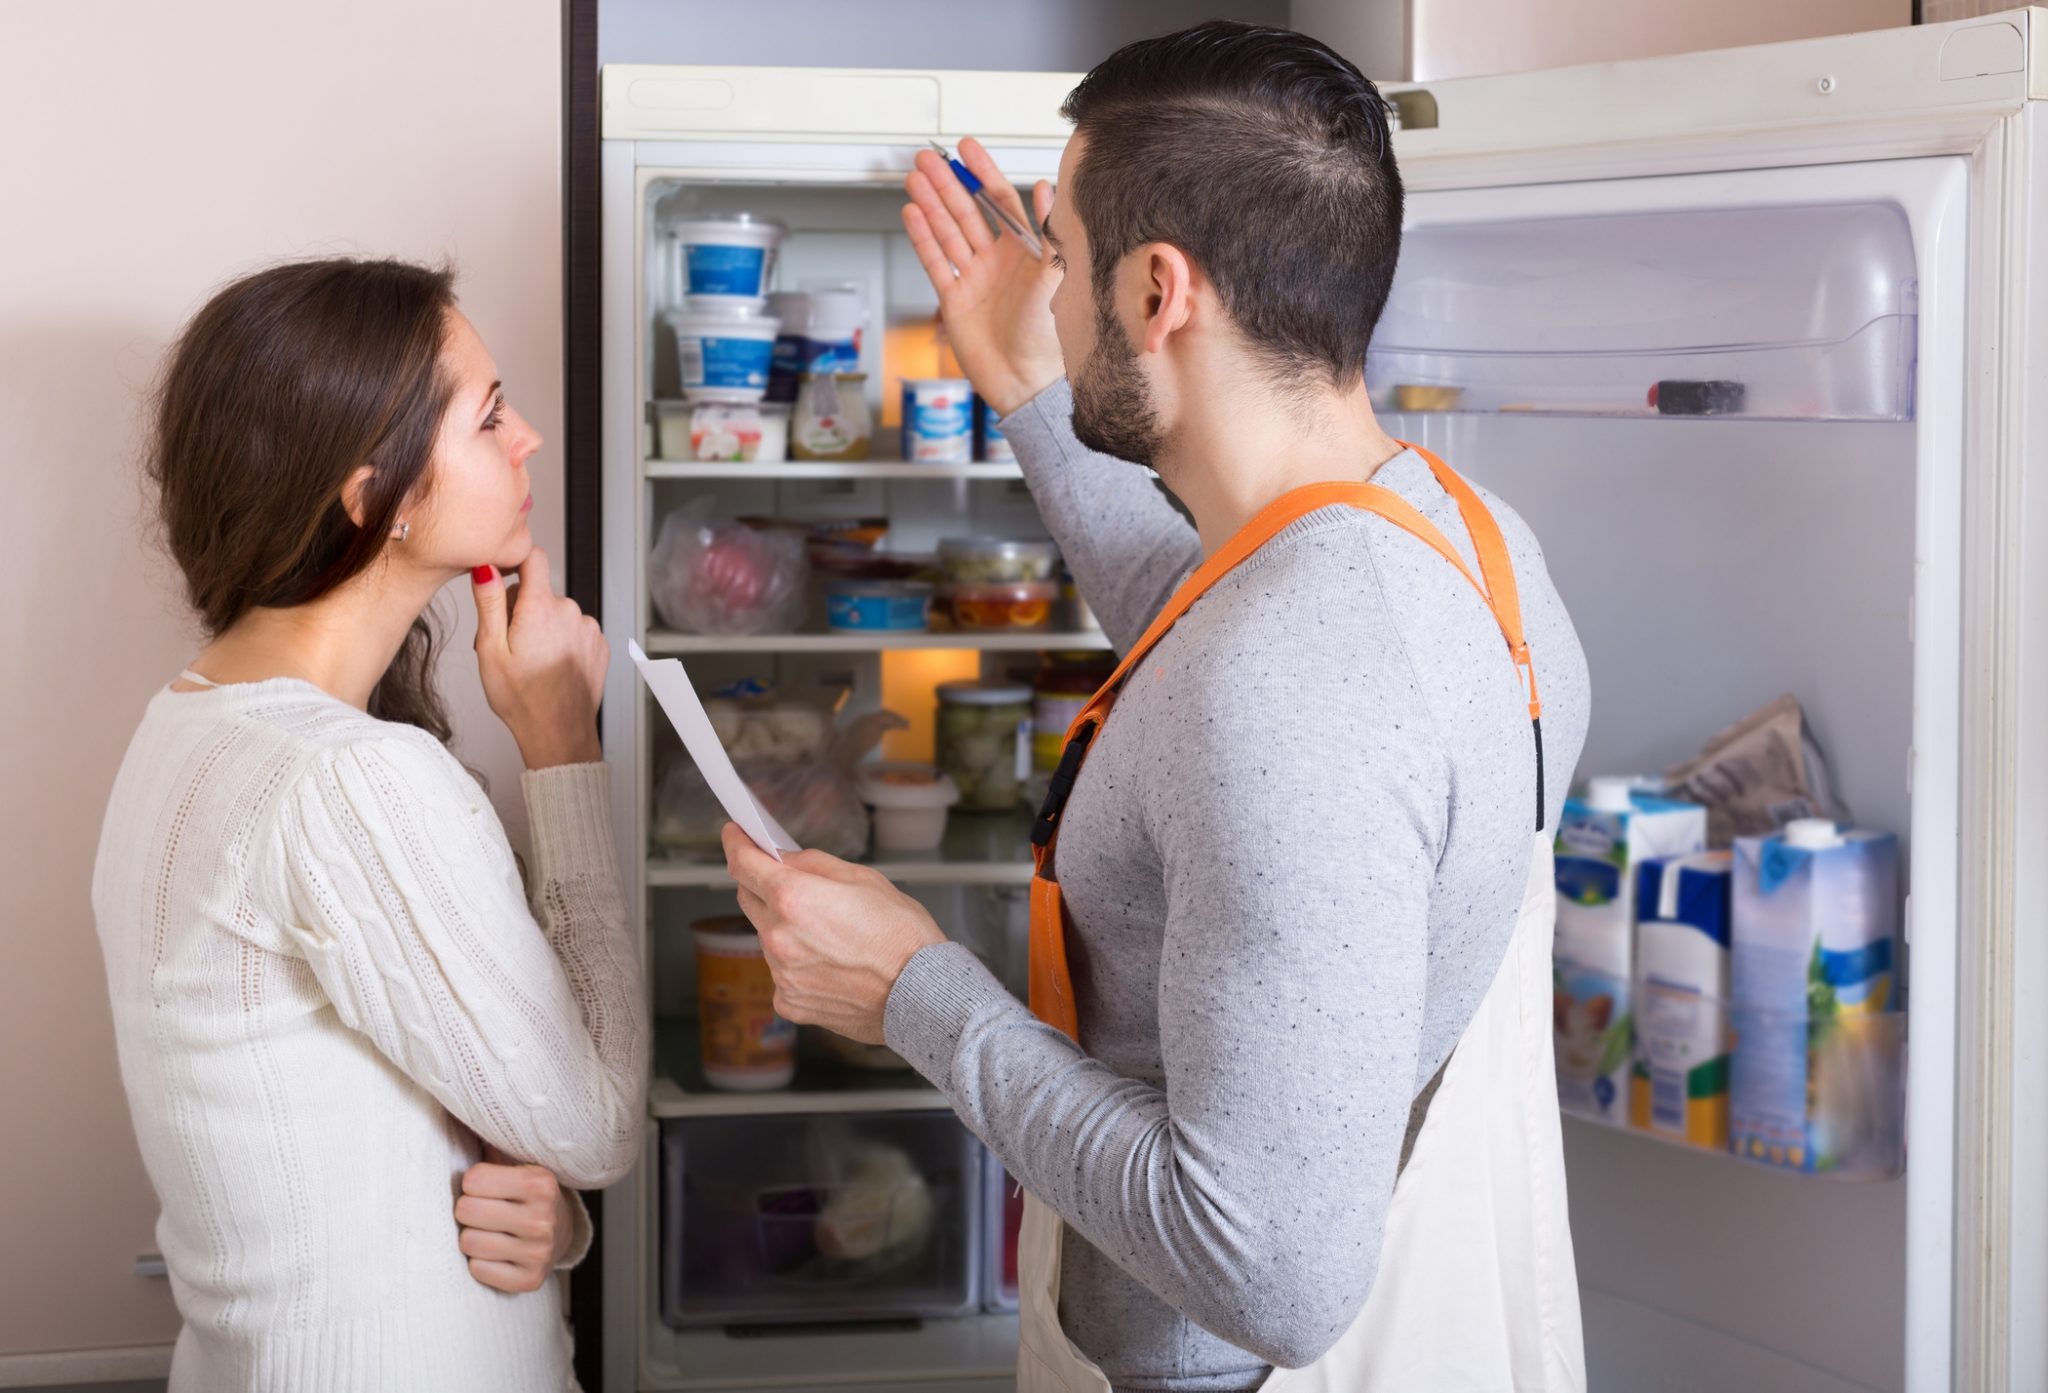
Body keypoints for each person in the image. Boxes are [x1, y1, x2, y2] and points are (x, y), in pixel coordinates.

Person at [722, 20, 1594, 1392]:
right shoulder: (1469, 544)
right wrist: (1020, 379)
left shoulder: (1290, 696)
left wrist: (911, 989)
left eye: (1061, 257)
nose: (1048, 288)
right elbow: (1207, 631)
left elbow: (1268, 1277)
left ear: (1157, 291)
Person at [92, 257, 647, 1393]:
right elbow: (595, 1125)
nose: (527, 436)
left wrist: (555, 1225)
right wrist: (561, 748)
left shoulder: (186, 725)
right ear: (373, 499)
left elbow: (372, 1133)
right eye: (489, 417)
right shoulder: (348, 783)